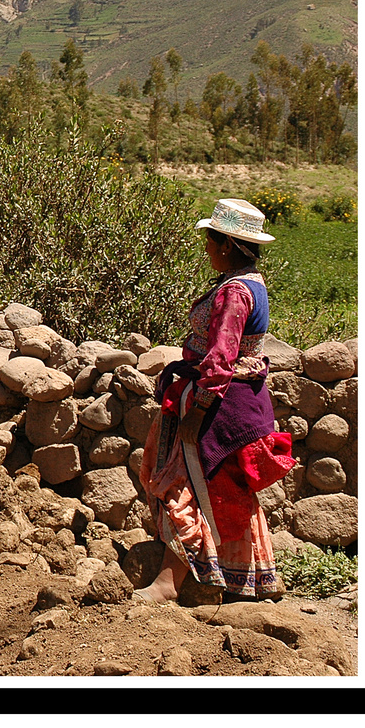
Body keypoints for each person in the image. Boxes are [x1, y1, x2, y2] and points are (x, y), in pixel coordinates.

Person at [135, 198, 296, 604]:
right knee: (225, 491)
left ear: (225, 244)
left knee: (184, 481)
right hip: (241, 401)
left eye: (210, 241)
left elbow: (221, 357)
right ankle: (250, 576)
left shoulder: (235, 292)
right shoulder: (250, 283)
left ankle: (169, 584)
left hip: (220, 407)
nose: (206, 249)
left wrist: (199, 410)